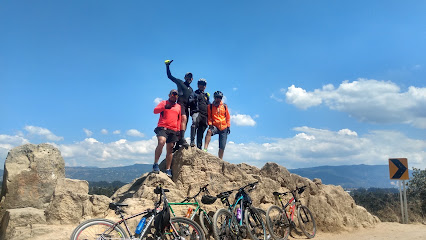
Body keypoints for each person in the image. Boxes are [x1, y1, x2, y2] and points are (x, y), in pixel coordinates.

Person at [152, 89, 181, 178]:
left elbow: (179, 119)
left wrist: (178, 131)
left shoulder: (178, 106)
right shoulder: (163, 102)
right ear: (169, 95)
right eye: (173, 94)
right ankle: (155, 164)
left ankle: (168, 169)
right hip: (162, 127)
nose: (174, 96)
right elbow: (155, 111)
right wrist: (164, 107)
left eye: (176, 95)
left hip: (173, 130)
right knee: (161, 142)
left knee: (170, 149)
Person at [165, 59, 193, 149]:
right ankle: (182, 139)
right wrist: (167, 66)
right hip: (180, 104)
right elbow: (170, 76)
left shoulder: (191, 89)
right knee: (183, 119)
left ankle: (178, 143)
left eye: (190, 77)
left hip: (187, 107)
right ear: (185, 78)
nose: (189, 79)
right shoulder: (180, 82)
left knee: (184, 123)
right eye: (188, 77)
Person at [204, 91, 230, 159]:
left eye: (220, 98)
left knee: (222, 146)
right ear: (214, 98)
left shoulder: (224, 106)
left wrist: (228, 126)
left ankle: (220, 160)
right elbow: (209, 117)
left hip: (224, 127)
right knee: (209, 132)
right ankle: (205, 150)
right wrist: (210, 124)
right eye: (217, 97)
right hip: (215, 126)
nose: (218, 99)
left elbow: (227, 117)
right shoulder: (210, 106)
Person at [188, 78, 210, 149]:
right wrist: (194, 99)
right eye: (200, 84)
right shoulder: (194, 93)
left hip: (205, 115)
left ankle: (199, 146)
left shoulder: (206, 95)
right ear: (198, 85)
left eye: (203, 84)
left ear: (205, 86)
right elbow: (189, 100)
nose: (202, 85)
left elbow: (209, 105)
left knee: (201, 131)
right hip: (197, 112)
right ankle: (192, 142)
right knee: (194, 123)